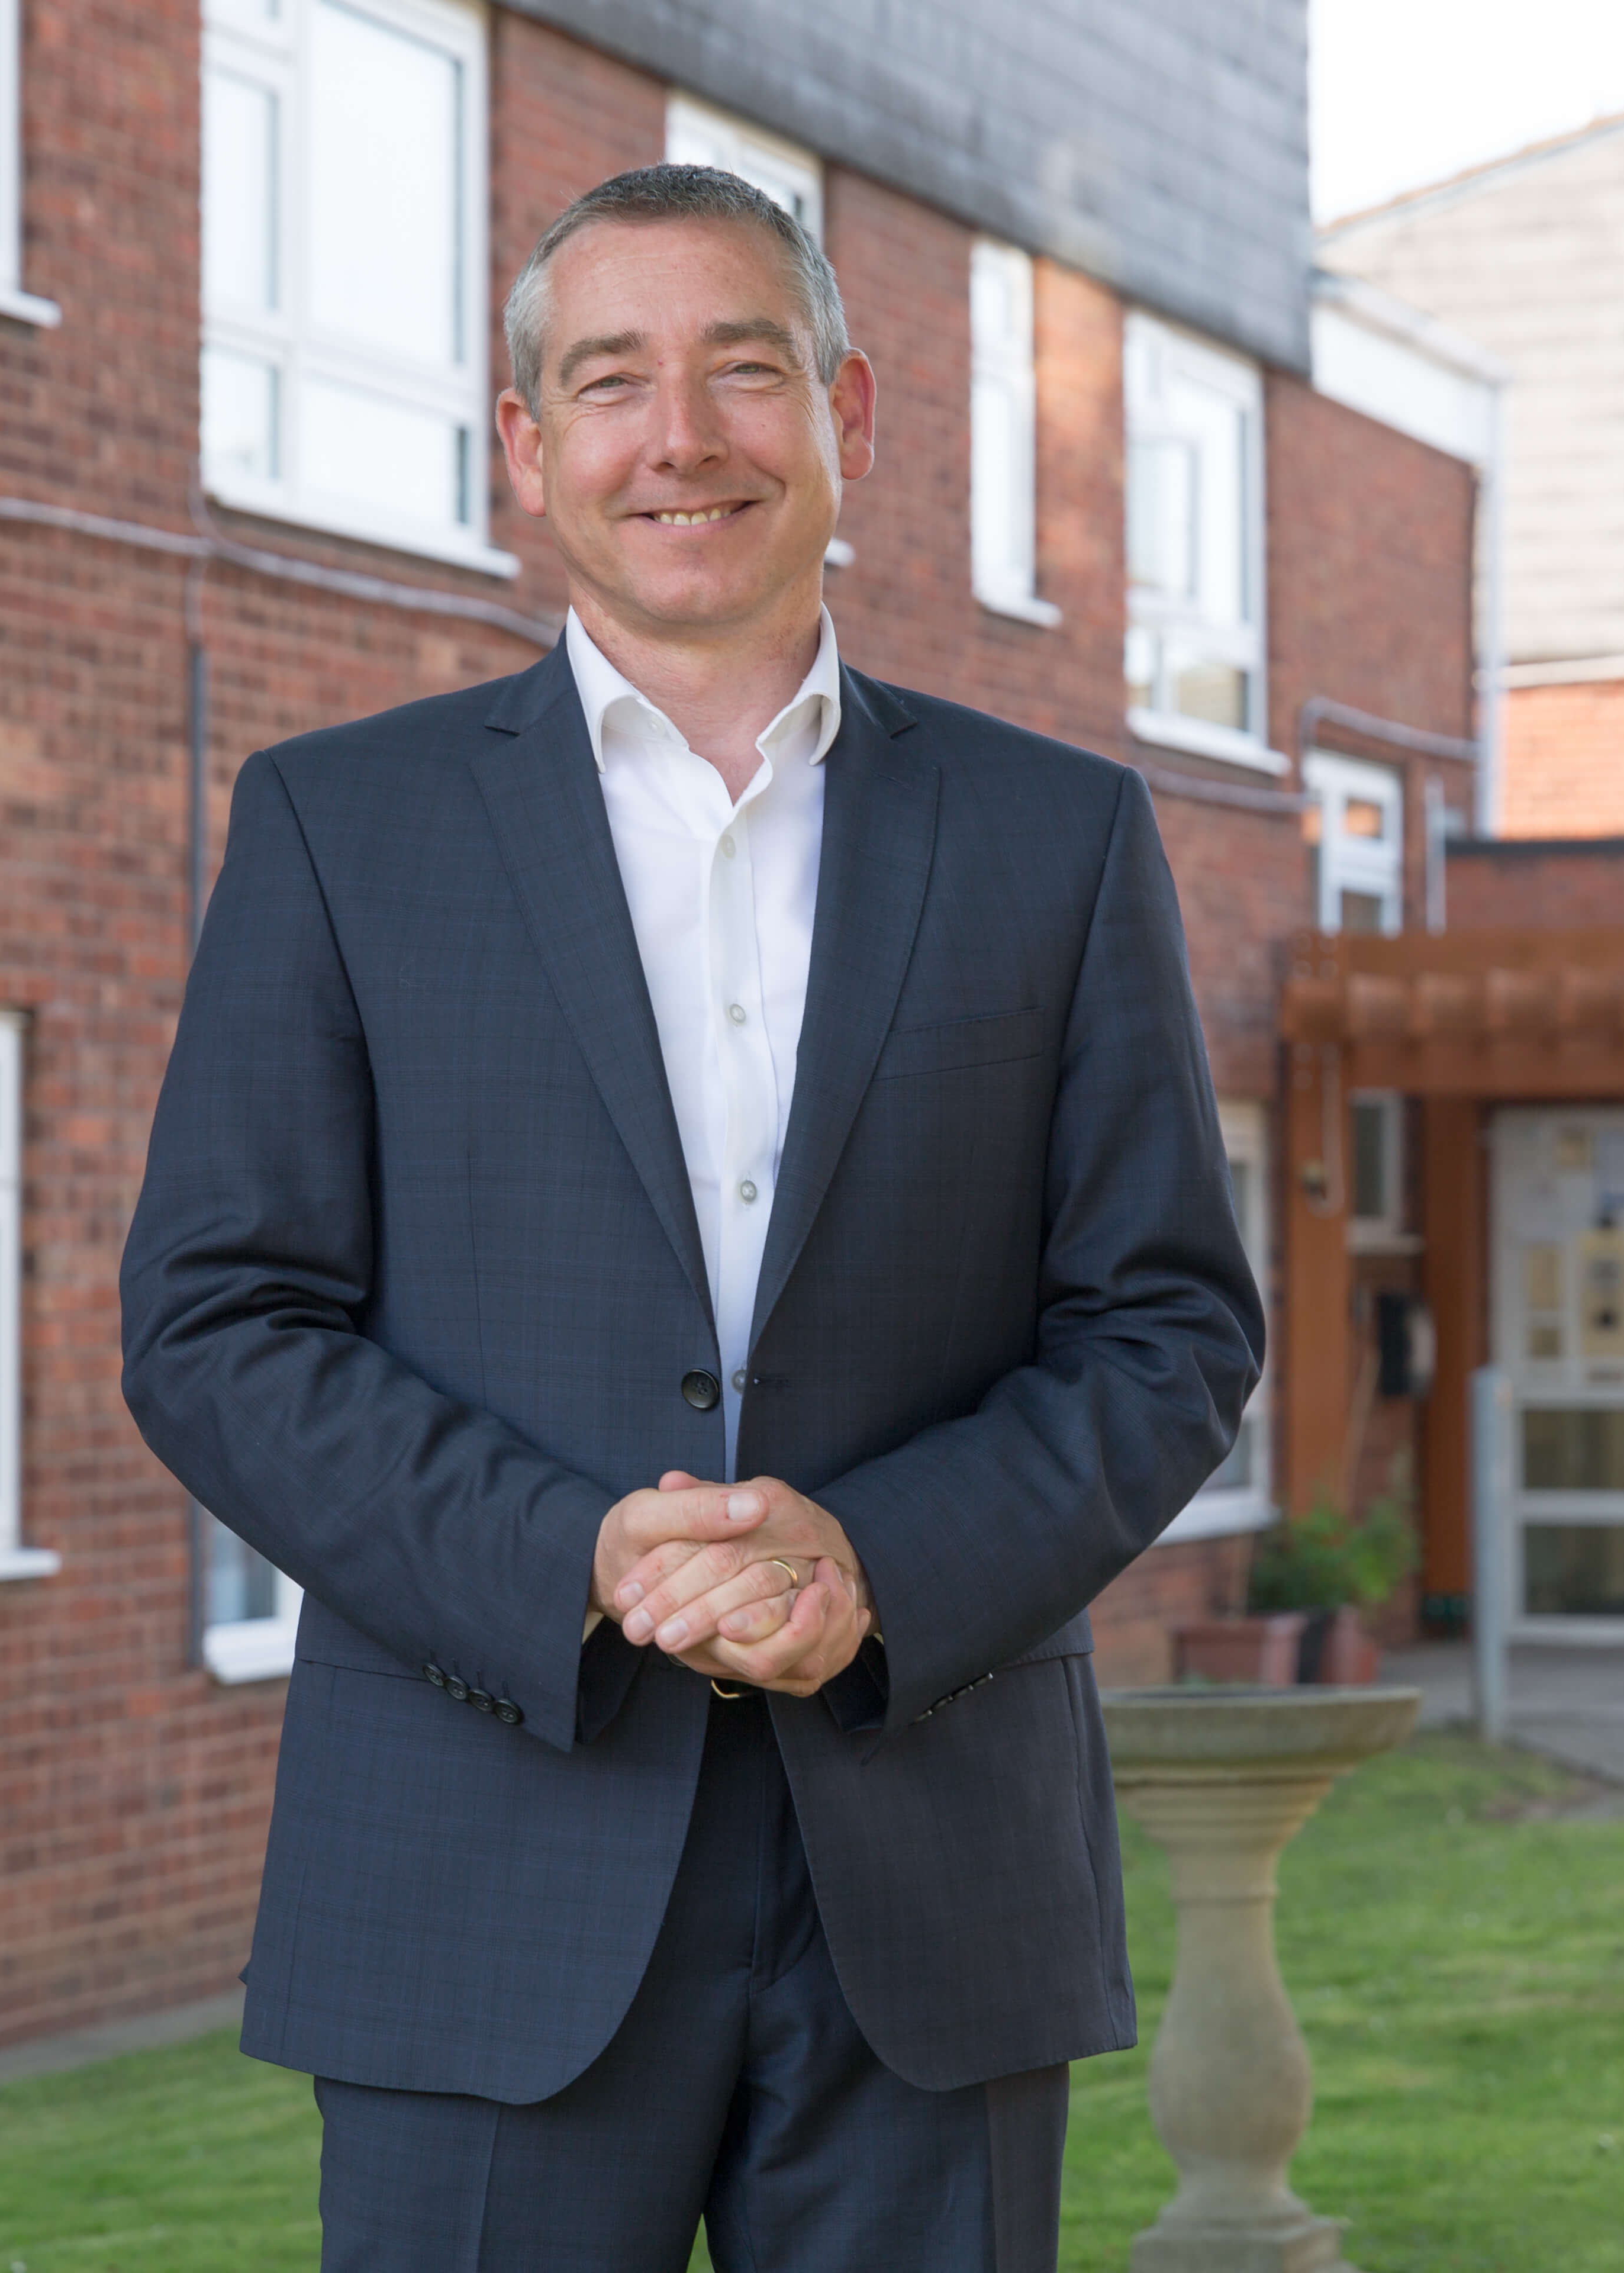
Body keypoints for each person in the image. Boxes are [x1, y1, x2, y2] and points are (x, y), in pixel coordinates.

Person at [120, 162, 1261, 2273]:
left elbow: (1167, 1323)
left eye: (744, 372)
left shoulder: (1058, 837)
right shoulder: (340, 829)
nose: (685, 438)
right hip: (483, 1857)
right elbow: (218, 1321)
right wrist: (574, 1554)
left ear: (848, 414)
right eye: (614, 382)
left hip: (930, 1874)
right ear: (531, 451)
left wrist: (879, 1562)